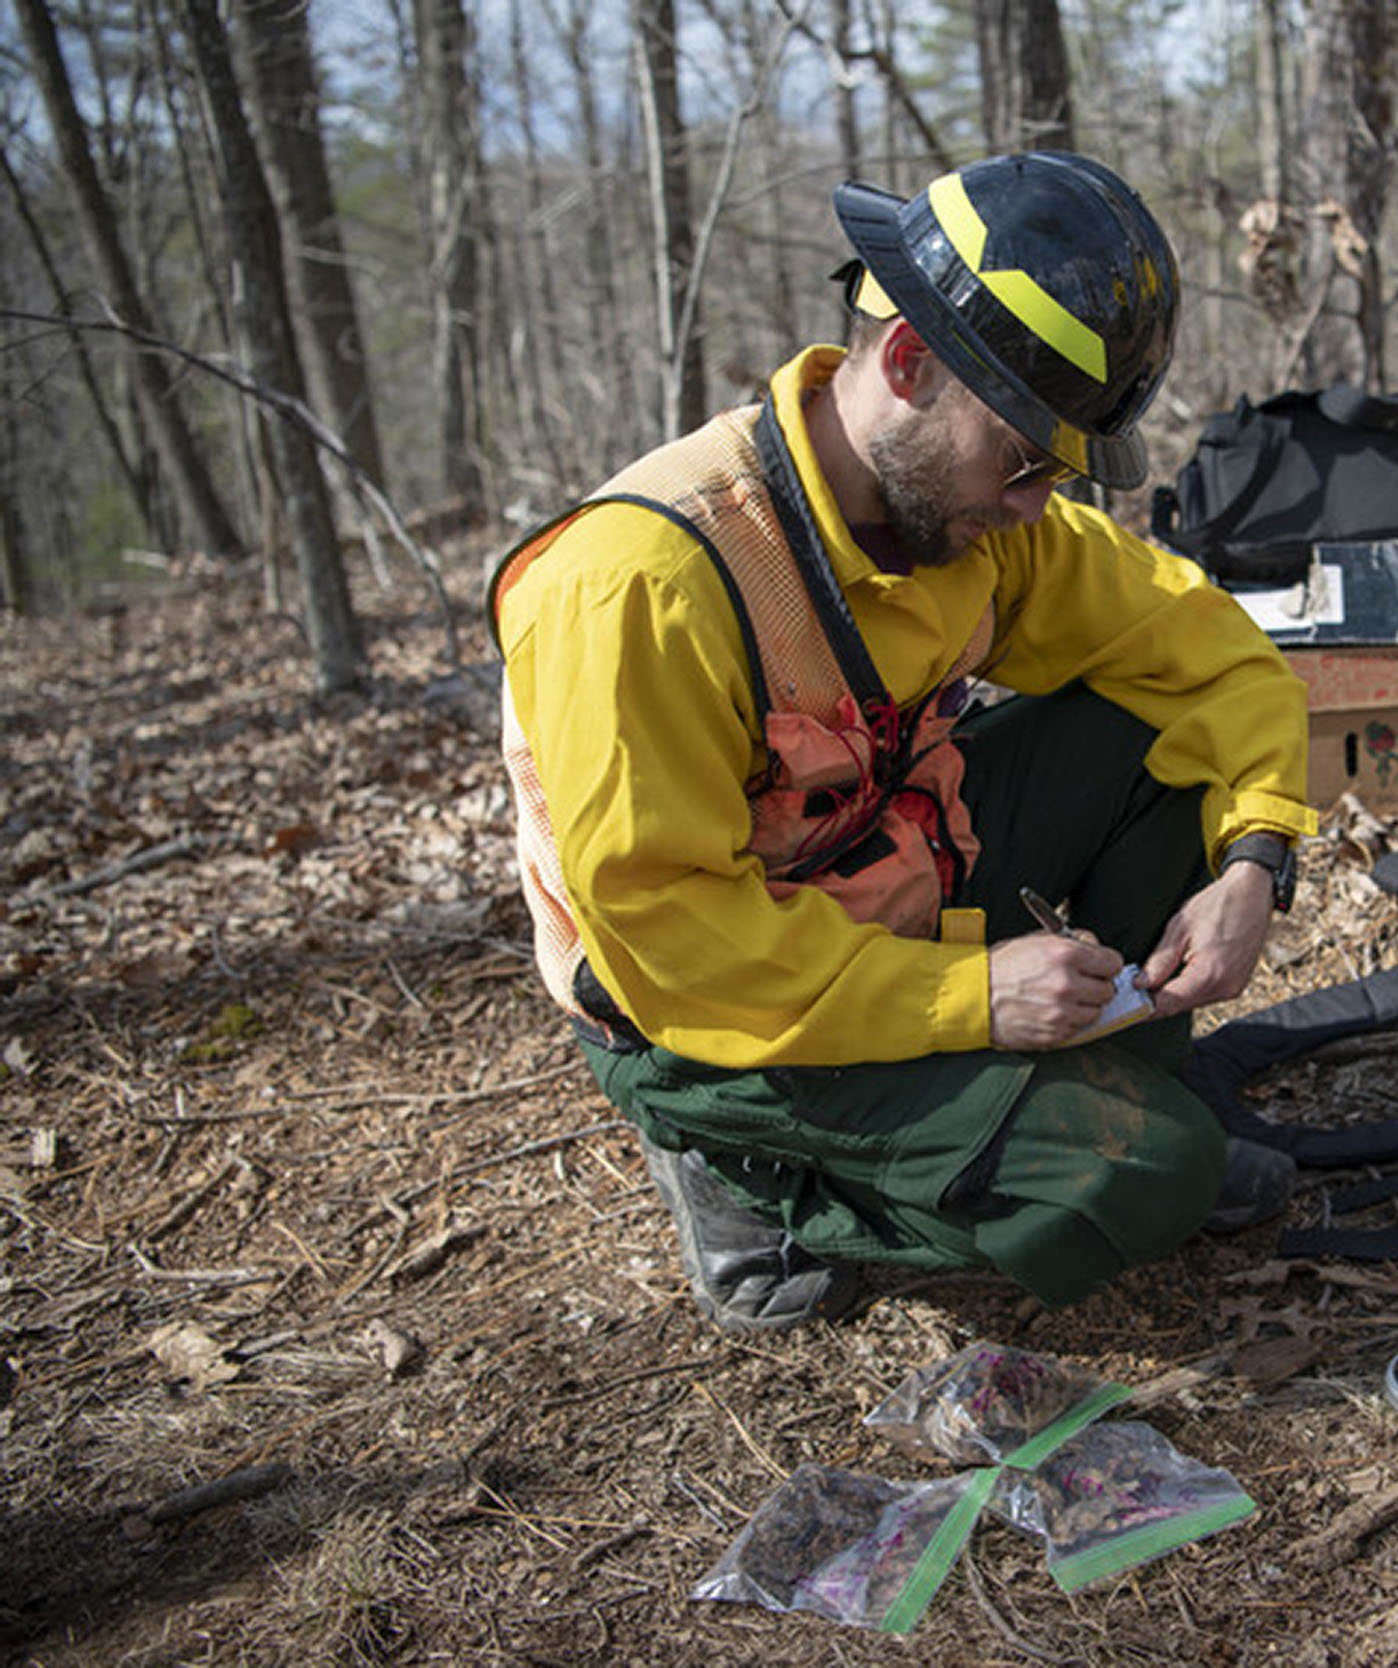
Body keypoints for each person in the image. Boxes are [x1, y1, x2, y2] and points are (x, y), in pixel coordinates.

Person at [491, 151, 1319, 1333]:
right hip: (704, 1015)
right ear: (910, 362)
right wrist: (968, 999)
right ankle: (746, 1173)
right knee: (1153, 1180)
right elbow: (675, 944)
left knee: (1158, 734)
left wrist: (1255, 862)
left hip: (882, 888)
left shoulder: (966, 518)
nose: (1040, 503)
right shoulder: (643, 584)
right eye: (1026, 458)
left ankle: (1092, 1106)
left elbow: (1210, 654)